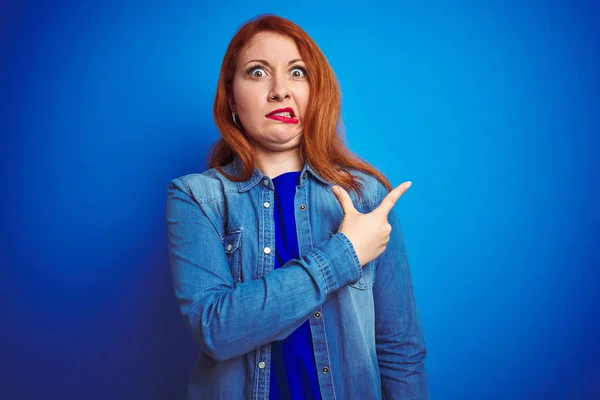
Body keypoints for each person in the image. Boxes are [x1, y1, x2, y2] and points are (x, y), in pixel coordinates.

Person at [166, 14, 427, 400]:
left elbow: (400, 350)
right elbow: (217, 330)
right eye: (257, 73)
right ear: (232, 98)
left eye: (297, 73)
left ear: (315, 92)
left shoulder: (366, 197)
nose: (279, 91)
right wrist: (344, 255)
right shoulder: (196, 198)